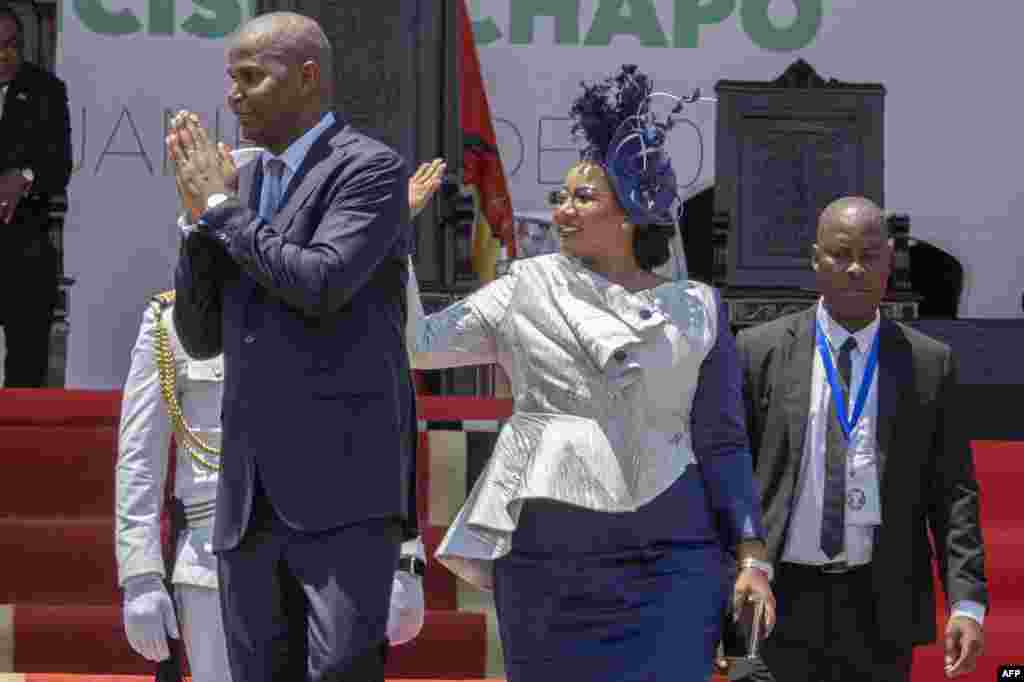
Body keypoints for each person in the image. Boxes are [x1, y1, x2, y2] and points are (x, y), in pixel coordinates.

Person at [406, 65, 774, 682]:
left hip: (671, 567)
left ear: (630, 210)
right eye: (560, 197)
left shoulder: (697, 308)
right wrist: (391, 241)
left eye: (583, 197)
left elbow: (722, 440)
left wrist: (750, 553)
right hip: (548, 569)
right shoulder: (525, 286)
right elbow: (420, 347)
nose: (562, 211)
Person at [113, 155, 445, 680]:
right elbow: (140, 460)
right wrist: (140, 575)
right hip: (210, 560)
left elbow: (388, 433)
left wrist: (405, 559)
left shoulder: (338, 315)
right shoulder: (169, 325)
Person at [166, 11, 416, 680]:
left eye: (253, 77)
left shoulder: (368, 168)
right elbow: (199, 334)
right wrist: (199, 225)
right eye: (231, 79)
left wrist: (221, 211)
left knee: (338, 671)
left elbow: (321, 282)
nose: (234, 94)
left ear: (308, 78)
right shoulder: (242, 184)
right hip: (250, 499)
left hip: (343, 493)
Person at [730, 196, 988, 681]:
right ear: (814, 258)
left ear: (889, 262)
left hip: (879, 605)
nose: (854, 268)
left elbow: (954, 492)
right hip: (773, 596)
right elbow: (728, 477)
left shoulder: (928, 364)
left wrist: (967, 603)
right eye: (839, 253)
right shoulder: (756, 351)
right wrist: (722, 587)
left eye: (869, 256)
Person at [0, 4, 72, 388]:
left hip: (25, 255)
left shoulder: (46, 90)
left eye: (11, 44)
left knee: (26, 377)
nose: (3, 55)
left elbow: (59, 166)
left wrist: (24, 177)